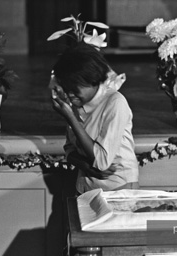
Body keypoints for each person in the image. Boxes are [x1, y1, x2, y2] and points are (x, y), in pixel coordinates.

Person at [50, 42, 139, 194]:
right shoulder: (76, 104)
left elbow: (102, 161)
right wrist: (85, 166)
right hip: (85, 187)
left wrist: (71, 118)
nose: (70, 93)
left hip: (117, 189)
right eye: (66, 87)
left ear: (93, 80)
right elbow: (69, 150)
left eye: (74, 86)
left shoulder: (115, 103)